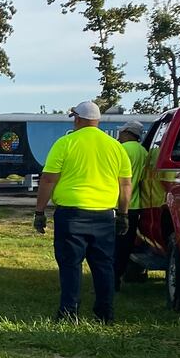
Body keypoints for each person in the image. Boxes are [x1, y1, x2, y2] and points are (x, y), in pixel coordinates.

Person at [33, 101, 132, 323]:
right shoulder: (116, 147)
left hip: (71, 214)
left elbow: (49, 179)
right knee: (103, 266)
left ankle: (69, 314)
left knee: (70, 265)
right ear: (96, 121)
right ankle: (105, 314)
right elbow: (125, 184)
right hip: (105, 214)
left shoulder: (65, 143)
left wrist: (40, 211)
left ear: (77, 119)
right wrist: (124, 214)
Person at [114, 123, 150, 288]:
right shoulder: (144, 152)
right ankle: (120, 276)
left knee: (113, 246)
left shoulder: (122, 149)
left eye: (121, 131)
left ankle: (111, 279)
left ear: (128, 133)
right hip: (135, 205)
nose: (119, 134)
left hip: (117, 204)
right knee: (125, 246)